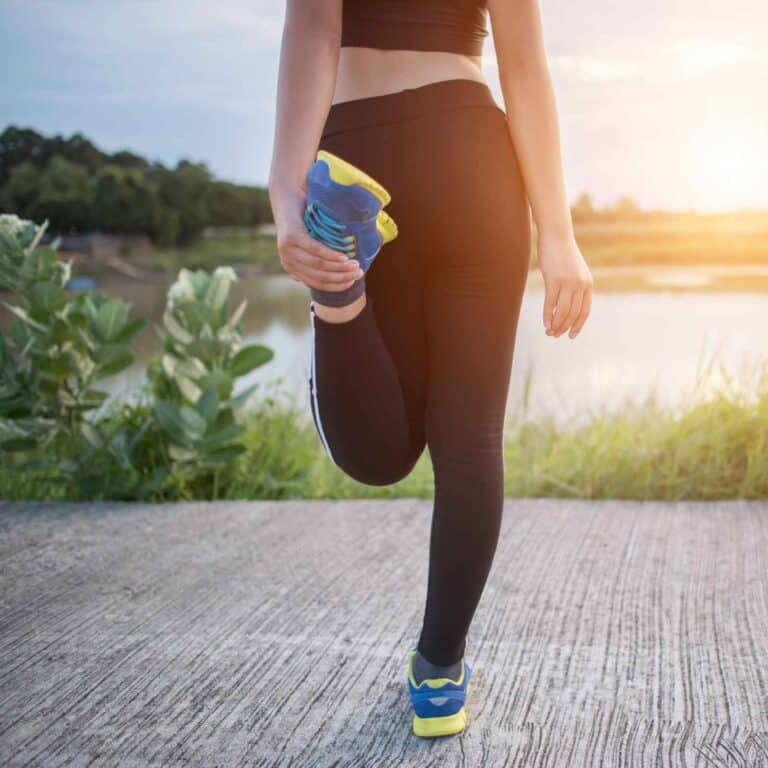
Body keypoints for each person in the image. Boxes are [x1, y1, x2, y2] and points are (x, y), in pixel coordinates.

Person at [268, 0, 593, 738]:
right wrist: (559, 234)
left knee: (378, 457)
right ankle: (439, 673)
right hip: (470, 155)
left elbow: (313, 32)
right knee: (469, 439)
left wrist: (286, 195)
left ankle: (338, 295)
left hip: (359, 161)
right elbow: (524, 65)